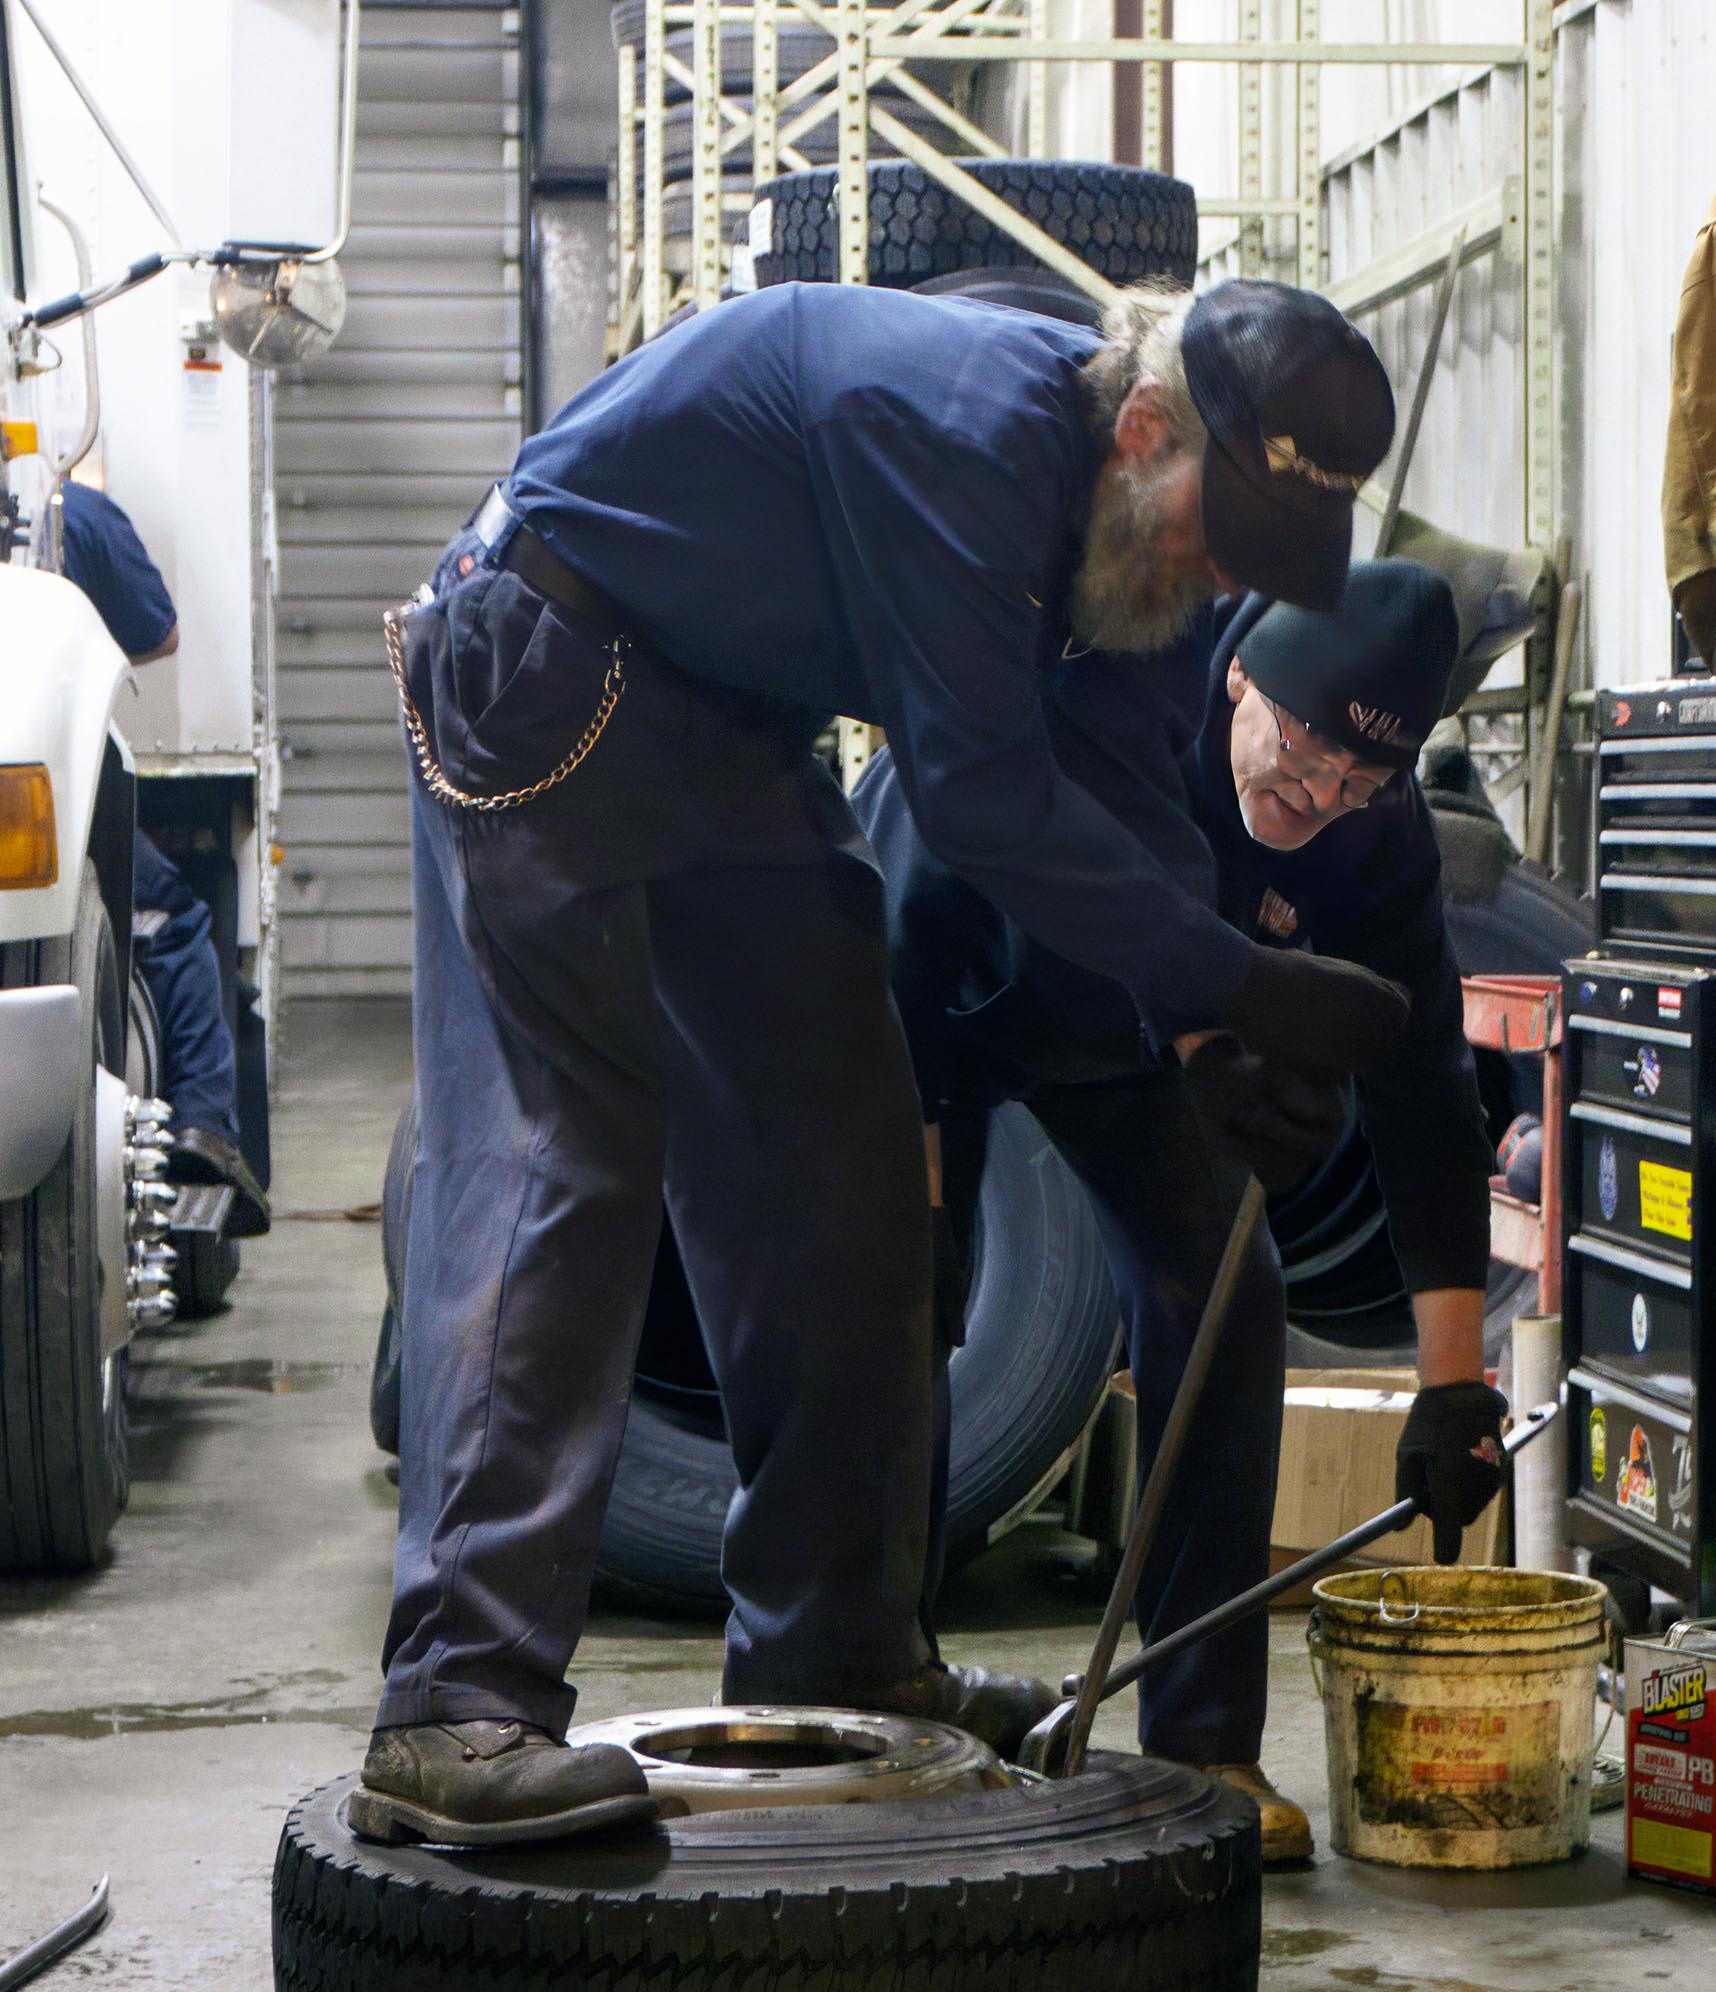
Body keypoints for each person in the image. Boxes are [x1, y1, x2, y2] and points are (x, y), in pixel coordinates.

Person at [360, 275, 1415, 1850]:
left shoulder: (1135, 549)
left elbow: (1119, 786)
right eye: (1214, 531)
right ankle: (453, 1704)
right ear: (1143, 431)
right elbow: (985, 799)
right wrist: (1246, 973)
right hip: (547, 657)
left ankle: (835, 1647)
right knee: (561, 1162)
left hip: (732, 727)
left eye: (1250, 567)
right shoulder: (958, 427)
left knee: (843, 1187)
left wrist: (1214, 1034)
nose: (1211, 578)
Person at [857, 558, 1503, 1863]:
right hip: (957, 968)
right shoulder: (1113, 694)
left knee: (1227, 1281)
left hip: (1143, 1043)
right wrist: (922, 1218)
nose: (1313, 797)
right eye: (1302, 750)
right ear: (1245, 675)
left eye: (1356, 785)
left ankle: (1204, 1739)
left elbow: (1427, 1095)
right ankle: (880, 1689)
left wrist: (1452, 1385)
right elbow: (910, 953)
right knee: (890, 1310)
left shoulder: (1372, 837)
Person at [51, 479, 270, 1236]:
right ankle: (204, 1126)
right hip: (43, 792)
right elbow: (161, 632)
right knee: (174, 920)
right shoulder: (70, 510)